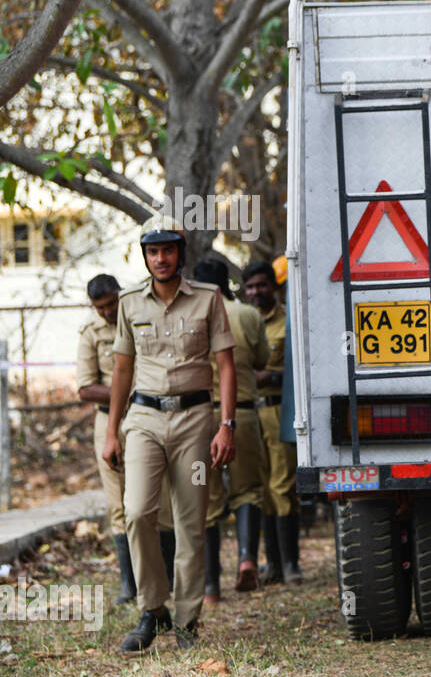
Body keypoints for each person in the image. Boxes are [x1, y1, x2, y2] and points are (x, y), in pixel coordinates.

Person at [104, 225, 237, 652]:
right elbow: (122, 370)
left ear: (180, 255)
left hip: (195, 423)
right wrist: (112, 431)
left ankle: (186, 621)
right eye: (153, 252)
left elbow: (226, 365)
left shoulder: (208, 299)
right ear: (144, 257)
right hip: (143, 420)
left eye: (167, 251)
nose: (160, 259)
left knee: (190, 520)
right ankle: (152, 610)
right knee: (138, 511)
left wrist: (226, 425)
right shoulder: (129, 303)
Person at [77, 275, 178, 604]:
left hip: (150, 418)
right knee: (119, 502)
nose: (107, 312)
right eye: (100, 308)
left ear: (120, 296)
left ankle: (168, 578)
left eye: (111, 304)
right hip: (111, 420)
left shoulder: (141, 318)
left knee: (159, 499)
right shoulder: (90, 333)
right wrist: (125, 393)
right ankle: (129, 583)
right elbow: (85, 387)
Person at [193, 259, 270, 600]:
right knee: (248, 490)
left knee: (205, 499)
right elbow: (262, 361)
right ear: (227, 283)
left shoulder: (189, 317)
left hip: (198, 418)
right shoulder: (248, 315)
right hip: (242, 415)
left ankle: (210, 586)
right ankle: (246, 559)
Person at [242, 260, 301, 584]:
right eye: (250, 287)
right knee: (261, 487)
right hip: (252, 412)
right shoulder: (245, 321)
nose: (256, 292)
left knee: (283, 485)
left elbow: (298, 368)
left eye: (261, 285)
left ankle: (291, 563)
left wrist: (270, 376)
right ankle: (273, 564)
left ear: (273, 287)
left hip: (279, 409)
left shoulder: (288, 321)